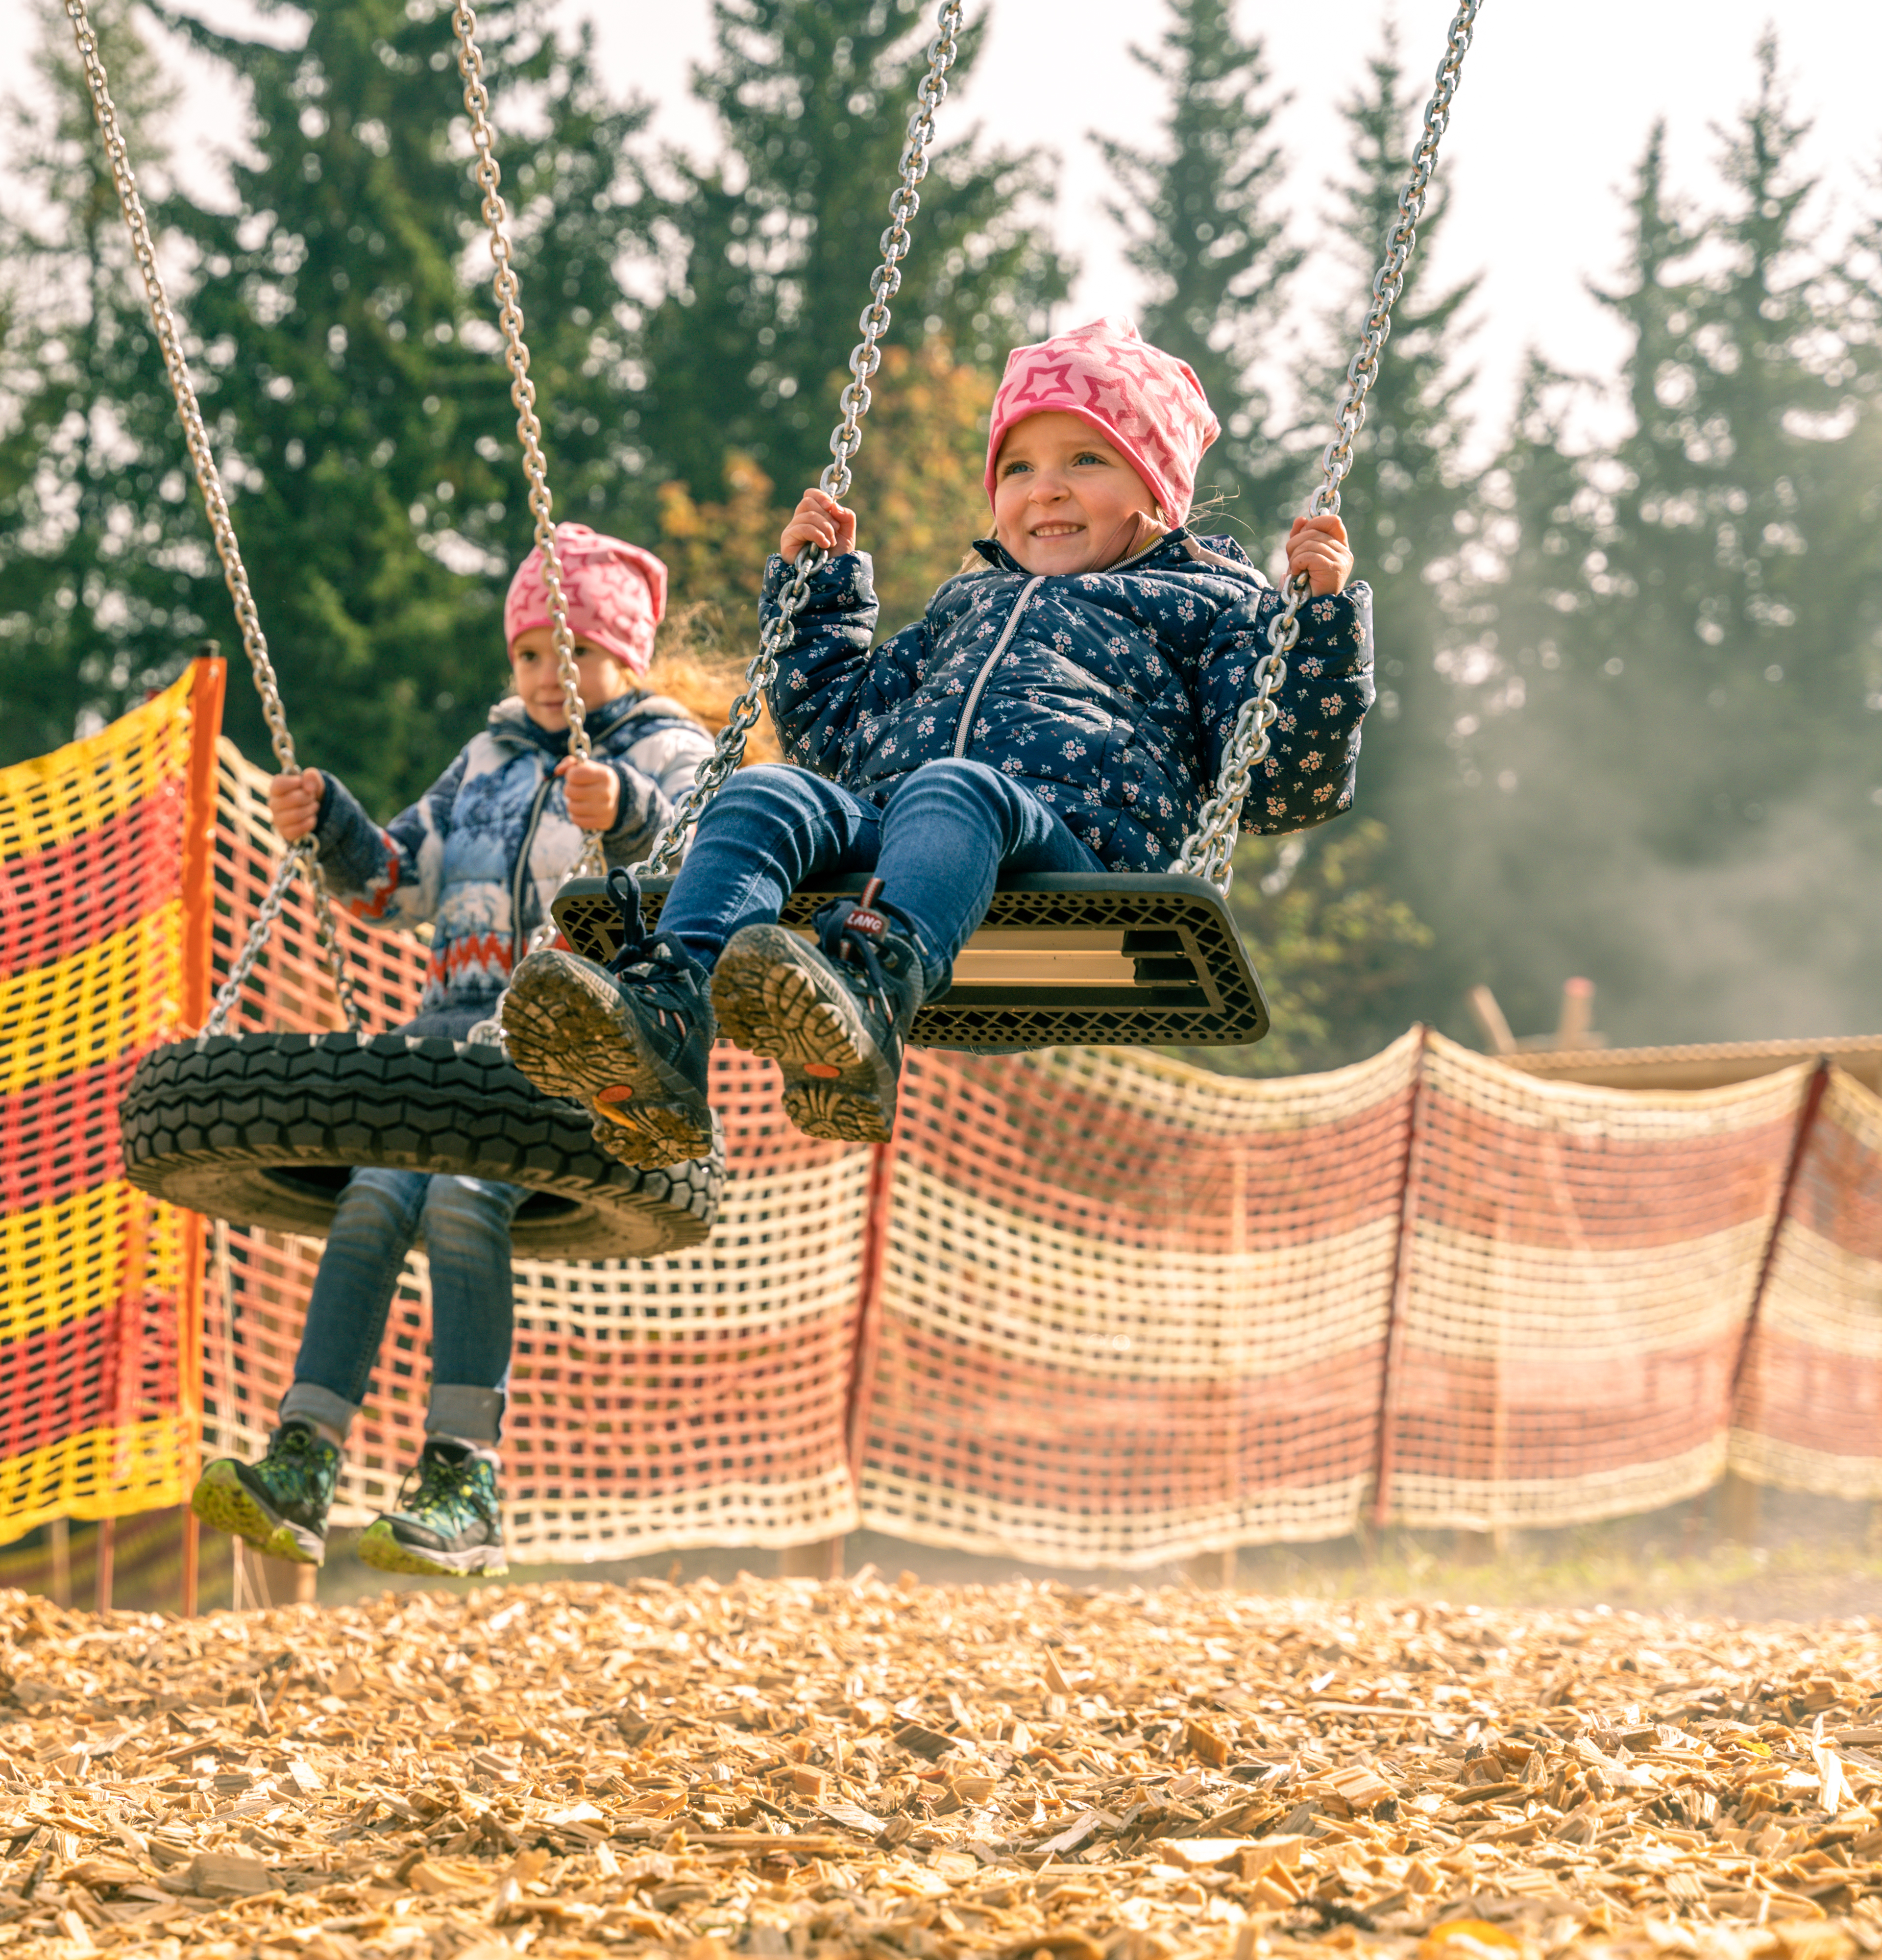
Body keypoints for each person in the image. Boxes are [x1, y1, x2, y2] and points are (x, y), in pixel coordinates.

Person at [500, 317, 1375, 1164]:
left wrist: (1319, 627)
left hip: (1074, 854)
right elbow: (832, 728)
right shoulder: (965, 605)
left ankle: (868, 994)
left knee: (956, 786)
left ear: (1157, 491)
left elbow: (1279, 781)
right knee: (765, 792)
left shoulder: (1209, 608)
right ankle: (669, 1012)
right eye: (1020, 466)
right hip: (900, 827)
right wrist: (816, 599)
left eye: (1088, 459)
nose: (1047, 488)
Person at [190, 526, 718, 1577]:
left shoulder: (668, 752)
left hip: (587, 1054)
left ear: (630, 659)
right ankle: (304, 1457)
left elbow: (705, 866)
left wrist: (626, 814)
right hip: (449, 1059)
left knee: (466, 1194)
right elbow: (394, 878)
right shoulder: (484, 759)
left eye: (573, 653)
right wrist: (332, 823)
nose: (546, 676)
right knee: (379, 1189)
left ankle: (463, 1476)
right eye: (527, 654)